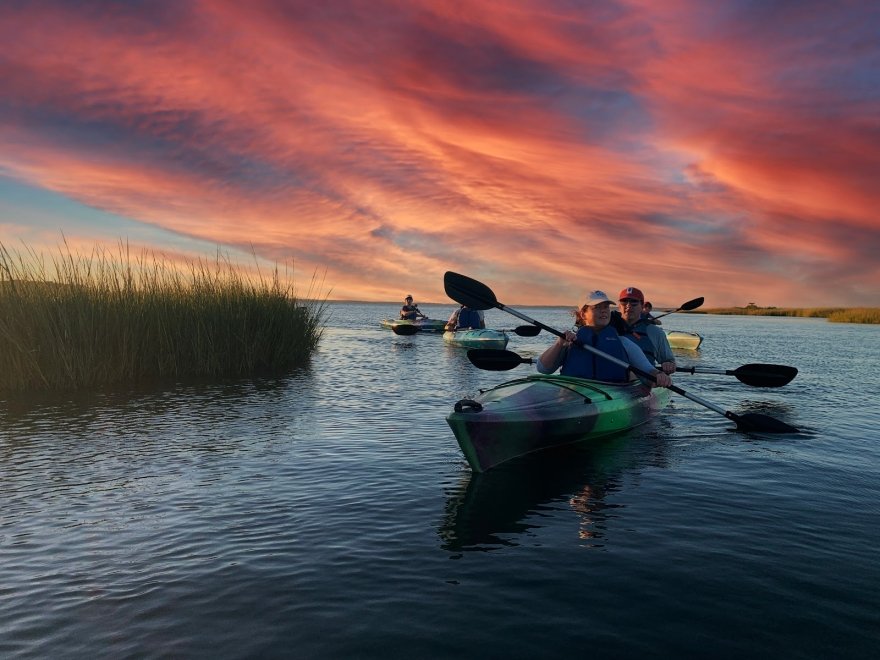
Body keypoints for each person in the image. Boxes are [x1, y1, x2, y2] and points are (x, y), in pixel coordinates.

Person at [537, 290, 672, 387]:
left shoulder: (623, 342)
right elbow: (543, 369)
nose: (604, 311)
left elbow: (647, 370)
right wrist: (559, 344)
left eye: (606, 307)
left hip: (611, 395)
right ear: (583, 314)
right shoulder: (570, 341)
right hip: (573, 392)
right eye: (597, 307)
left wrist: (658, 376)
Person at [615, 287, 676, 375]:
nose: (628, 305)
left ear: (642, 306)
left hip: (643, 383)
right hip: (611, 383)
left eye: (634, 302)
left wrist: (669, 364)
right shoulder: (607, 328)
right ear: (619, 306)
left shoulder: (655, 332)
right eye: (624, 302)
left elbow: (669, 360)